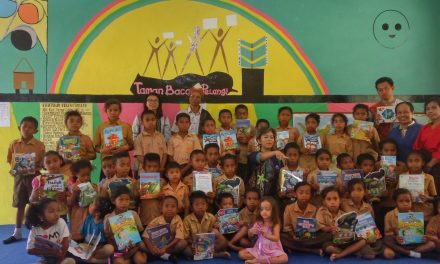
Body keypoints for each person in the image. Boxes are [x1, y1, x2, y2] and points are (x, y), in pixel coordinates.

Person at [4, 116, 45, 244]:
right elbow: (10, 159)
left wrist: (36, 167)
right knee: (20, 204)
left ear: (35, 131)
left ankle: (37, 234)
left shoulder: (40, 145)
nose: (27, 129)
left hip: (35, 178)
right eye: (24, 126)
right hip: (19, 178)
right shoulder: (13, 143)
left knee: (35, 205)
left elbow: (44, 163)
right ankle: (17, 232)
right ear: (19, 128)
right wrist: (14, 170)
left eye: (31, 127)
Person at [317, 186, 368, 261]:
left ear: (340, 200)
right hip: (330, 240)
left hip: (343, 240)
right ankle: (350, 251)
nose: (332, 202)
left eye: (335, 199)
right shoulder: (321, 211)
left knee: (363, 241)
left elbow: (349, 230)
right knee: (328, 248)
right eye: (328, 199)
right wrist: (330, 229)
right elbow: (321, 226)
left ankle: (340, 254)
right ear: (324, 202)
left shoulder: (343, 215)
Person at [383, 188, 433, 259]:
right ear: (395, 202)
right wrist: (396, 238)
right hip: (397, 243)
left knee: (432, 244)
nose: (405, 204)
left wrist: (422, 238)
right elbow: (388, 234)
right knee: (386, 243)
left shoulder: (414, 215)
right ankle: (410, 253)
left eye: (408, 201)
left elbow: (418, 233)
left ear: (411, 202)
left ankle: (404, 253)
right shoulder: (389, 215)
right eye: (401, 201)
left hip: (412, 244)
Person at [104, 186, 147, 264]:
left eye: (127, 200)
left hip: (134, 247)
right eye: (121, 199)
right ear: (113, 201)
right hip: (118, 249)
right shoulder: (109, 218)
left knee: (141, 261)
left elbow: (140, 231)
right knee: (120, 263)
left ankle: (144, 254)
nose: (124, 203)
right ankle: (128, 259)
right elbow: (107, 237)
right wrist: (117, 248)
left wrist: (135, 246)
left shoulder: (133, 214)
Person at [281, 182, 327, 256]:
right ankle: (311, 250)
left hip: (310, 238)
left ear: (311, 195)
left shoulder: (314, 208)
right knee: (281, 237)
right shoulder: (289, 208)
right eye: (301, 192)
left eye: (307, 193)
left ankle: (295, 247)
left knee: (326, 236)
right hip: (295, 237)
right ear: (295, 194)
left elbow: (318, 225)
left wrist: (311, 232)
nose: (304, 195)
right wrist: (293, 235)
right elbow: (287, 227)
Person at [238, 197, 288, 264]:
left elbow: (276, 238)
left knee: (284, 258)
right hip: (260, 248)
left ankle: (259, 261)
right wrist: (251, 231)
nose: (264, 212)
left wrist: (266, 235)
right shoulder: (259, 222)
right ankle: (265, 259)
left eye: (267, 209)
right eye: (261, 209)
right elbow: (250, 235)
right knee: (241, 254)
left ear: (274, 211)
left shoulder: (275, 223)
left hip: (273, 249)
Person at [25, 198, 75, 264]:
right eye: (51, 211)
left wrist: (59, 261)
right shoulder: (35, 228)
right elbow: (30, 250)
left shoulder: (61, 222)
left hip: (64, 254)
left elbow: (65, 245)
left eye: (58, 210)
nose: (56, 214)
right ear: (41, 216)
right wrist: (50, 253)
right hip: (47, 257)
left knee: (71, 261)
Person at [182, 191, 230, 259]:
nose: (200, 207)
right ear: (191, 207)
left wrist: (218, 226)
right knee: (186, 251)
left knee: (223, 241)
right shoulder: (187, 220)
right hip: (194, 245)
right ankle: (215, 255)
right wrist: (192, 243)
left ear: (207, 206)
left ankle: (199, 256)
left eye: (203, 204)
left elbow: (216, 233)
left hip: (207, 244)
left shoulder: (211, 217)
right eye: (197, 204)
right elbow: (186, 237)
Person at [143, 195, 187, 262]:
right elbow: (145, 236)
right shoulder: (156, 220)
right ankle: (164, 255)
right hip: (156, 245)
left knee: (183, 243)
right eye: (166, 206)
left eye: (173, 206)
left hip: (169, 245)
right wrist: (151, 248)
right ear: (161, 209)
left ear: (177, 209)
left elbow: (179, 236)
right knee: (141, 245)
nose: (170, 209)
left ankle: (160, 254)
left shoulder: (178, 219)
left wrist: (166, 247)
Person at [248, 127, 287, 198]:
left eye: (271, 137)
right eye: (266, 137)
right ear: (259, 141)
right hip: (256, 197)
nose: (269, 139)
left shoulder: (278, 157)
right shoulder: (253, 155)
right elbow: (261, 157)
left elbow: (281, 176)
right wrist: (275, 152)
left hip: (273, 196)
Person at [30, 151, 69, 220]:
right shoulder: (38, 180)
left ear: (61, 161)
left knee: (60, 230)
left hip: (60, 213)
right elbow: (32, 200)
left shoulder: (67, 180)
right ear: (43, 165)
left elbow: (71, 201)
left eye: (55, 160)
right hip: (44, 214)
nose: (52, 164)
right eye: (48, 162)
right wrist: (34, 195)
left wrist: (65, 196)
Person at [413, 97, 440, 192]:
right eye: (427, 109)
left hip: (436, 165)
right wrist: (418, 164)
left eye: (434, 108)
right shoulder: (425, 128)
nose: (430, 111)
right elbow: (417, 146)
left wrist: (429, 165)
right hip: (424, 163)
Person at [67, 159, 97, 241]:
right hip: (78, 214)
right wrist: (75, 193)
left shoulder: (93, 185)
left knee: (89, 235)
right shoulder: (73, 187)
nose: (86, 178)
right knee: (78, 235)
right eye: (83, 175)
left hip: (90, 213)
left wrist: (96, 192)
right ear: (76, 174)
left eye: (88, 175)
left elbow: (96, 200)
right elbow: (69, 203)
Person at [77, 197, 115, 263]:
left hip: (97, 249)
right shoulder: (89, 218)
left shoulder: (103, 223)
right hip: (86, 247)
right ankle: (102, 261)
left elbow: (102, 243)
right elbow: (82, 235)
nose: (89, 205)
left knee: (109, 248)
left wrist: (93, 252)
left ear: (97, 212)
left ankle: (91, 260)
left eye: (92, 204)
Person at [133, 110, 167, 176]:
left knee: (159, 186)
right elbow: (139, 156)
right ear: (142, 122)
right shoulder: (139, 138)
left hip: (159, 171)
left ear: (156, 121)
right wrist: (151, 167)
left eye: (153, 119)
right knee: (147, 186)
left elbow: (165, 154)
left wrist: (160, 167)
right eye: (147, 120)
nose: (151, 122)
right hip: (145, 172)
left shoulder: (161, 136)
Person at [167, 112, 202, 176]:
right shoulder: (172, 139)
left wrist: (190, 164)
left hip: (191, 167)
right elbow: (170, 156)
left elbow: (197, 154)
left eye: (186, 122)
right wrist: (176, 167)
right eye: (181, 122)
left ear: (190, 124)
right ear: (176, 124)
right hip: (177, 168)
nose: (184, 124)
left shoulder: (194, 137)